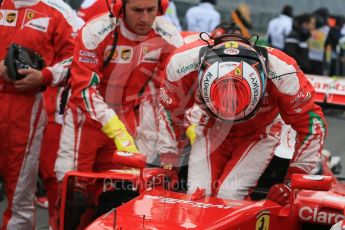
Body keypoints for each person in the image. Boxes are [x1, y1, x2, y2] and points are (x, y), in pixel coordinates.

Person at [54, 0, 183, 228]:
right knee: (72, 196)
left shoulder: (170, 37)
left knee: (119, 193)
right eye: (137, 10)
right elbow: (83, 88)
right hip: (86, 122)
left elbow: (166, 92)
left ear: (160, 9)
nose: (144, 19)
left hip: (129, 121)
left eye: (150, 10)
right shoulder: (96, 31)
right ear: (120, 8)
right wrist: (114, 127)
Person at [157, 33, 326, 205]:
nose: (231, 113)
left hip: (260, 132)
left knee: (230, 194)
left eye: (236, 103)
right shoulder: (182, 64)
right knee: (198, 194)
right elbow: (170, 111)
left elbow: (312, 125)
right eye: (225, 100)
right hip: (211, 127)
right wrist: (169, 163)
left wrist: (293, 183)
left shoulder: (284, 73)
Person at [0, 0, 79, 228]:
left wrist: (44, 75)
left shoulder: (59, 11)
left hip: (28, 106)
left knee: (19, 194)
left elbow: (77, 58)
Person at [308, 8, 330, 75]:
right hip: (319, 58)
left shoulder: (311, 25)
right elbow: (328, 44)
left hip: (307, 56)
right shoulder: (327, 29)